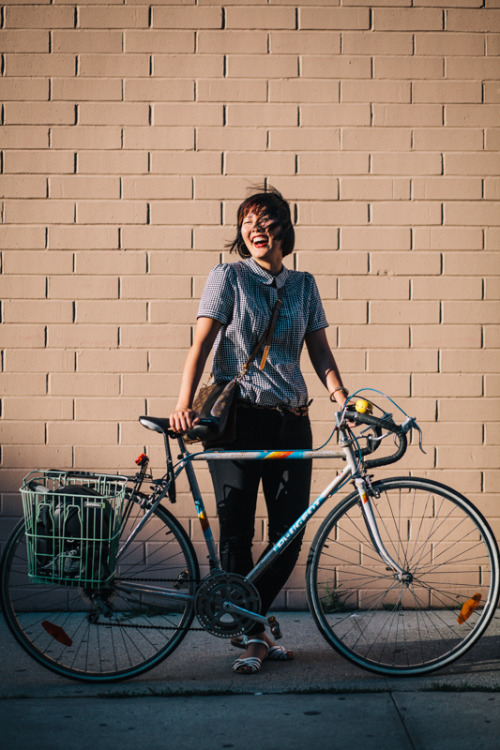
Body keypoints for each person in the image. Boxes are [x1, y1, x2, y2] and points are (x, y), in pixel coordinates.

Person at [169, 186, 348, 675]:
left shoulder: (304, 285)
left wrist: (342, 399)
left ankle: (252, 626)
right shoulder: (227, 277)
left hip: (292, 420)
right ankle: (255, 633)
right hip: (238, 420)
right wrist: (184, 405)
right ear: (241, 233)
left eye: (266, 222)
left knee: (290, 532)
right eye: (248, 223)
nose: (256, 230)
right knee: (237, 535)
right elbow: (201, 344)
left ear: (283, 230)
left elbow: (320, 352)